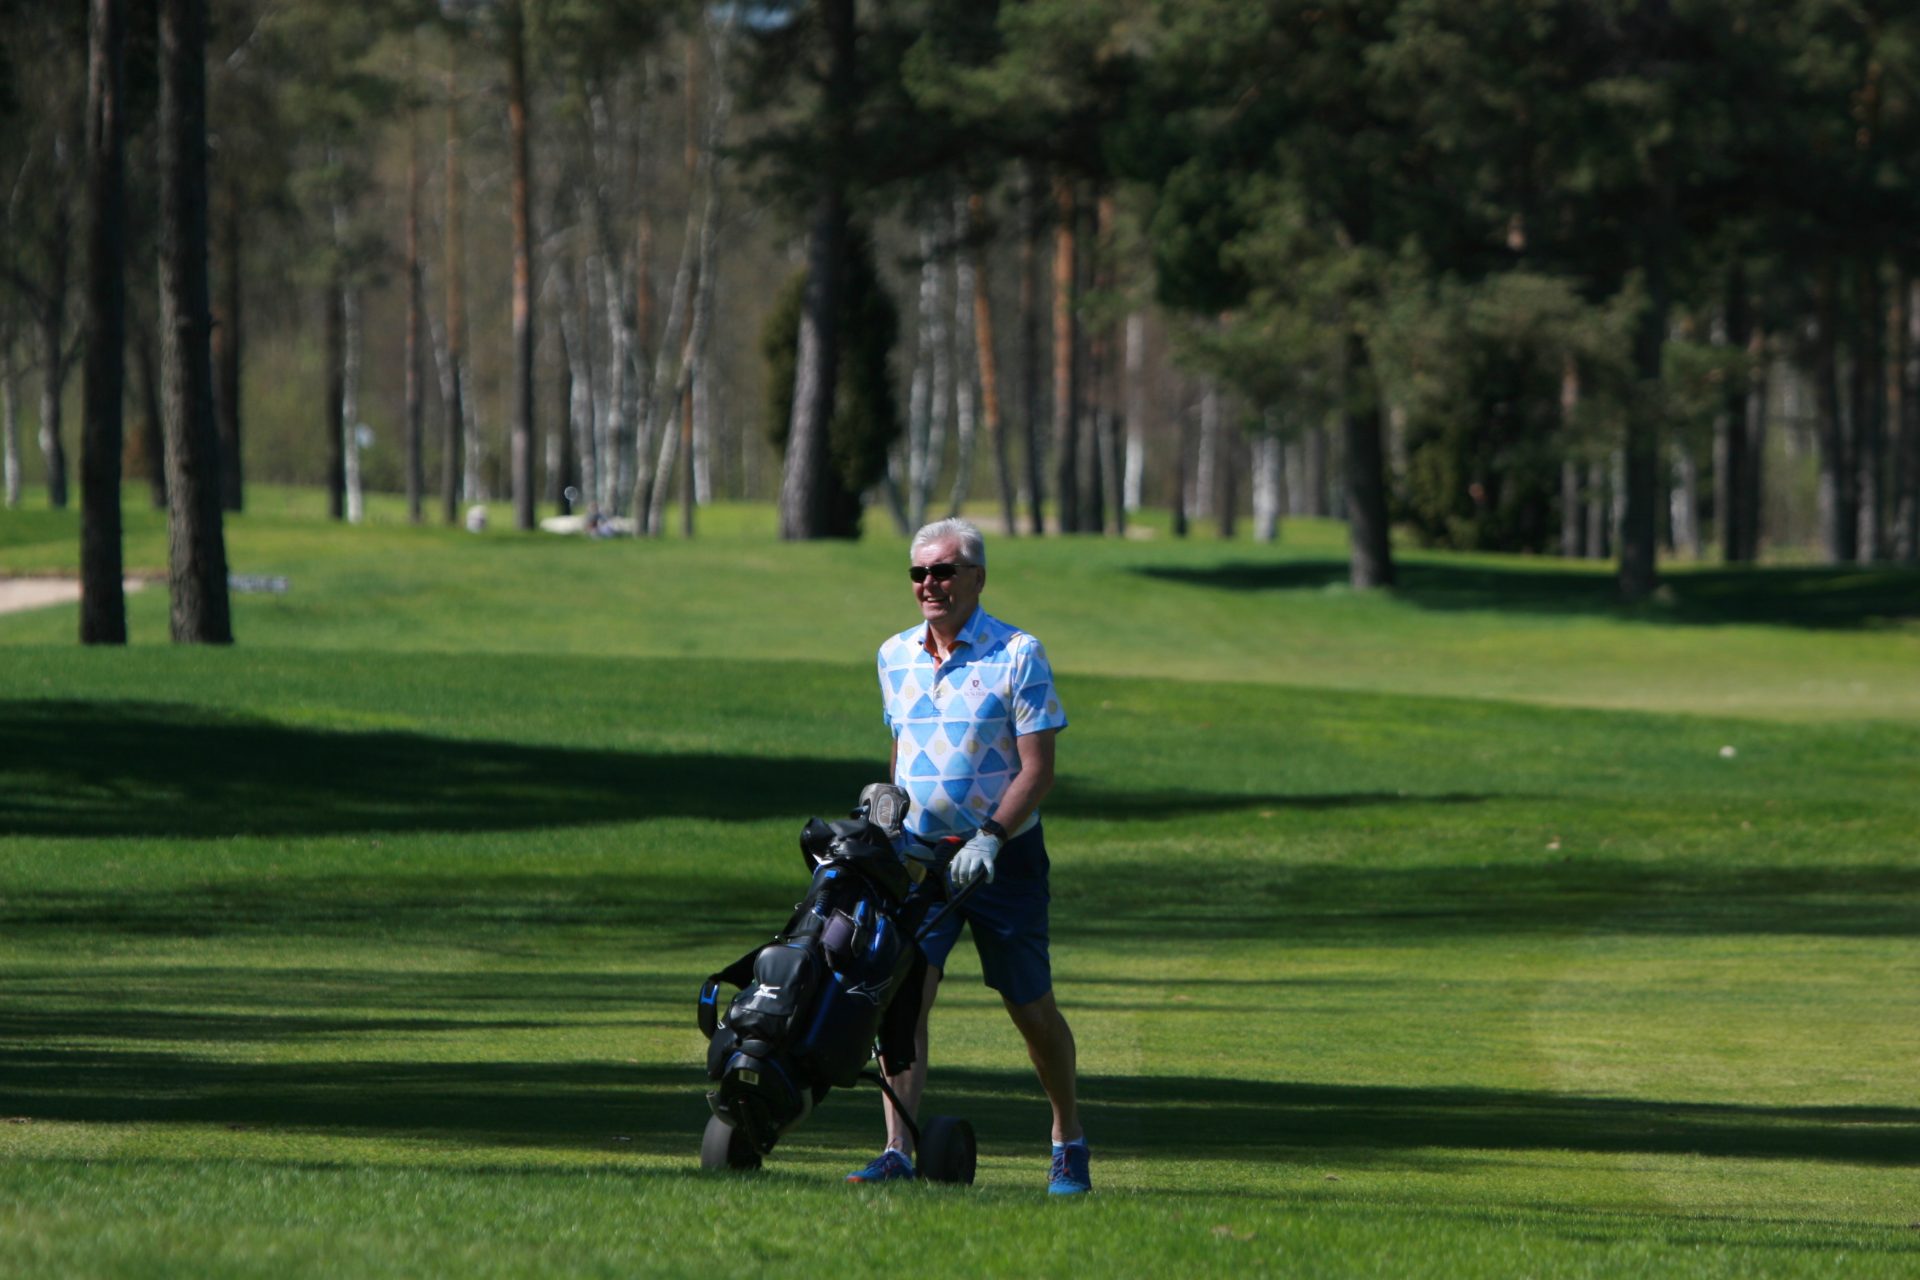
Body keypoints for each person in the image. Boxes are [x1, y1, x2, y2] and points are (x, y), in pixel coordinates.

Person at [846, 517, 1090, 1195]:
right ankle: (897, 1151)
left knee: (1030, 1007)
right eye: (919, 573)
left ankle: (1068, 1138)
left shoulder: (1017, 653)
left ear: (977, 578)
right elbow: (902, 753)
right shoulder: (893, 655)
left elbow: (1038, 769)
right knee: (902, 1001)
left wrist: (991, 836)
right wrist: (888, 811)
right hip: (920, 861)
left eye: (944, 571)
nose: (930, 584)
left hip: (1003, 861)